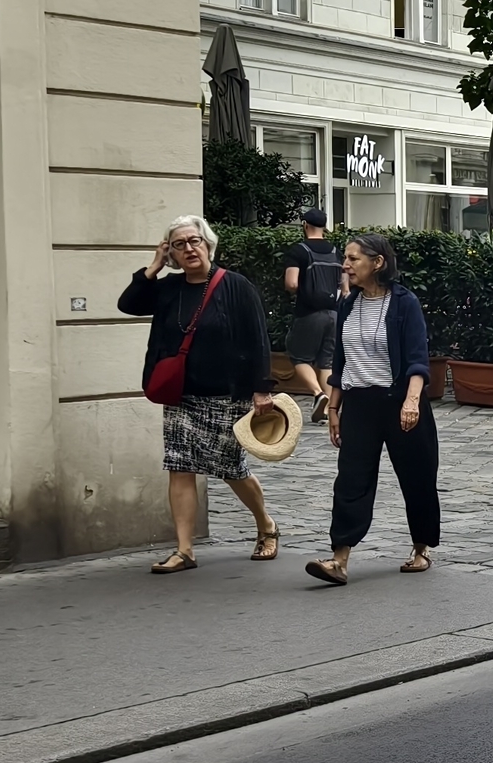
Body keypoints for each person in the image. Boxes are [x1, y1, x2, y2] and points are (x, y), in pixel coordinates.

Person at [118, 216, 282, 572]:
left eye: (194, 241)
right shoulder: (169, 289)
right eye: (179, 245)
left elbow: (257, 339)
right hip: (182, 396)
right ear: (171, 253)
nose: (188, 249)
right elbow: (128, 304)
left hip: (227, 395)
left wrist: (261, 389)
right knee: (180, 467)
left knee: (231, 468)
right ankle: (185, 550)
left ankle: (266, 525)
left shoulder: (235, 286)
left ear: (208, 244)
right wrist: (154, 267)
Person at [309, 234, 442, 585]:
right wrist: (334, 407)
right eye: (346, 259)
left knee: (417, 479)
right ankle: (339, 559)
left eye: (353, 259)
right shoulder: (348, 304)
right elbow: (340, 360)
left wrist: (411, 402)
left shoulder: (404, 303)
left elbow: (417, 360)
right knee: (351, 480)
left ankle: (420, 547)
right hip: (359, 405)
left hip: (400, 402)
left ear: (377, 262)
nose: (346, 265)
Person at [281, 209, 342, 416]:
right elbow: (345, 285)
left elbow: (291, 283)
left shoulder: (299, 251)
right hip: (333, 312)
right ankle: (328, 411)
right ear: (324, 226)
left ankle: (318, 394)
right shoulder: (336, 250)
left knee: (299, 356)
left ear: (305, 225)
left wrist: (296, 290)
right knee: (327, 361)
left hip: (308, 312)